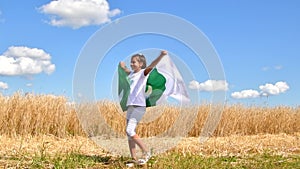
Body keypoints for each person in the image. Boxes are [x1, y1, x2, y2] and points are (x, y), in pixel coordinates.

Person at [119, 50, 168, 164]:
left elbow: (152, 65)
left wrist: (161, 55)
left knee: (130, 130)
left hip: (139, 106)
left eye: (134, 62)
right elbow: (126, 71)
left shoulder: (143, 73)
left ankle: (146, 152)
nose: (131, 64)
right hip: (131, 106)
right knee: (129, 133)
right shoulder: (131, 74)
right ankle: (133, 158)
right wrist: (123, 66)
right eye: (131, 62)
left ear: (140, 64)